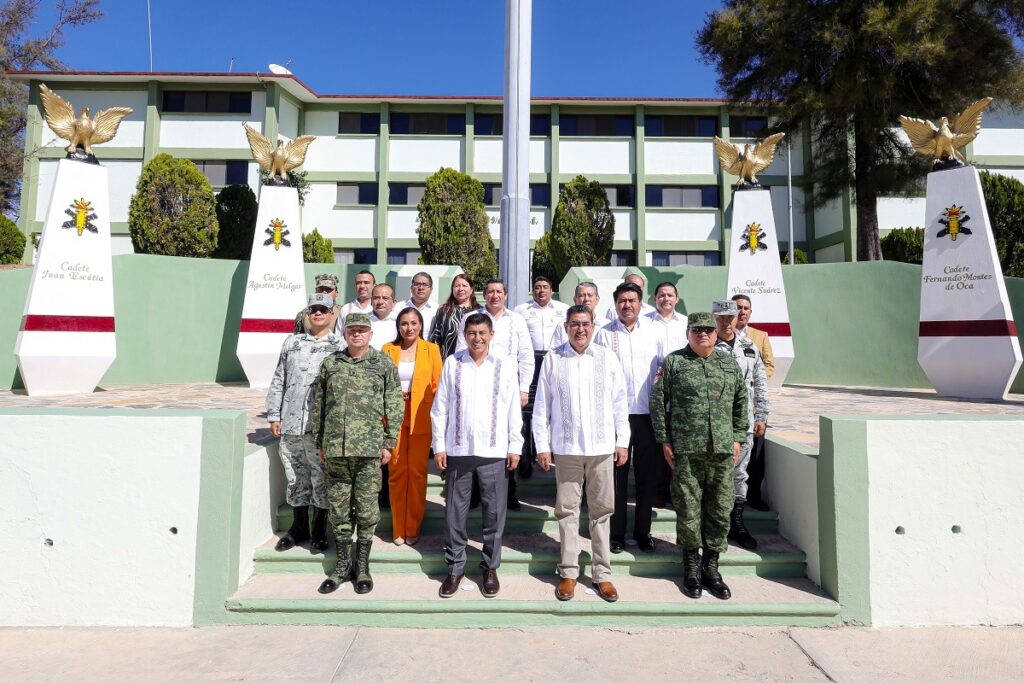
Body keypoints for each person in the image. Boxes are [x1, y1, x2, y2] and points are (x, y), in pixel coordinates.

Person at [533, 304, 630, 603]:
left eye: (585, 323)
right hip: (567, 449)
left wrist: (622, 440)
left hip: (601, 448)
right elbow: (541, 407)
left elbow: (619, 402)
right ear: (566, 326)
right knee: (567, 512)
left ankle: (602, 574)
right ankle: (569, 572)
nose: (580, 329)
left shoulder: (607, 358)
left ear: (593, 325)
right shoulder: (553, 358)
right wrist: (542, 444)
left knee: (602, 512)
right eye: (574, 323)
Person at [650, 312, 748, 601]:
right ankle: (691, 567)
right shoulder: (675, 363)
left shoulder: (729, 364)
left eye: (708, 329)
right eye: (697, 329)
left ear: (716, 333)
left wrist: (739, 437)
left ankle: (712, 568)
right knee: (689, 509)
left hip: (721, 451)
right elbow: (656, 402)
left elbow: (742, 401)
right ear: (688, 333)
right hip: (686, 450)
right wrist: (664, 439)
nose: (702, 333)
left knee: (719, 509)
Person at [431, 313, 523, 598]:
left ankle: (489, 567)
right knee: (454, 513)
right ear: (465, 335)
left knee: (494, 513)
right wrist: (439, 445)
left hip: (494, 450)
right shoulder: (453, 363)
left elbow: (512, 408)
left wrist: (515, 446)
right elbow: (440, 407)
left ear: (491, 334)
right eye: (472, 333)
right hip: (459, 449)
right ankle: (456, 567)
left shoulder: (505, 364)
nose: (477, 338)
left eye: (482, 333)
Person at [312, 313, 404, 595]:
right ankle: (342, 567)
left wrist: (389, 442)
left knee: (366, 510)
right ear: (345, 334)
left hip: (368, 450)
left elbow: (394, 402)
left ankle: (362, 567)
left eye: (362, 330)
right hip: (336, 449)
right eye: (352, 330)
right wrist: (319, 442)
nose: (357, 335)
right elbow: (319, 405)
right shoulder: (331, 363)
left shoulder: (383, 363)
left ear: (370, 334)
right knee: (339, 510)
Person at [593, 282, 665, 554]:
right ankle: (617, 533)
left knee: (646, 476)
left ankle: (643, 532)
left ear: (641, 303)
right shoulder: (604, 334)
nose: (627, 305)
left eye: (632, 300)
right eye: (622, 301)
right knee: (617, 477)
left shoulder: (654, 332)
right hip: (615, 417)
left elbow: (661, 371)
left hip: (646, 415)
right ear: (615, 305)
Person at [267, 293, 343, 553]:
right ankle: (299, 527)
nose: (318, 313)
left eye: (323, 309)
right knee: (295, 476)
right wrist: (273, 414)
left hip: (318, 429)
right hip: (290, 424)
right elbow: (279, 378)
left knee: (320, 478)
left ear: (332, 313)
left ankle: (320, 530)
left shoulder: (339, 346)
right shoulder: (292, 342)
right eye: (314, 309)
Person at [455, 278, 533, 510]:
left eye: (499, 291)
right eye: (490, 291)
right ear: (484, 295)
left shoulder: (516, 320)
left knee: (507, 439)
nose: (494, 296)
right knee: (477, 439)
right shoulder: (471, 318)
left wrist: (523, 388)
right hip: (476, 386)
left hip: (506, 389)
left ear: (506, 295)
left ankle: (509, 493)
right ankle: (475, 493)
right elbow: (460, 351)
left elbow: (526, 355)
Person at [382, 307, 443, 546]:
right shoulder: (388, 349)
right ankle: (399, 527)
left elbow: (438, 386)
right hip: (395, 415)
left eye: (414, 323)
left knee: (417, 473)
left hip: (421, 416)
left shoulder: (432, 350)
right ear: (398, 326)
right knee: (397, 471)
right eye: (405, 323)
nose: (409, 328)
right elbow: (380, 384)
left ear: (421, 325)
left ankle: (413, 526)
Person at [712, 300, 769, 551]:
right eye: (721, 316)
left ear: (737, 318)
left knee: (740, 474)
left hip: (743, 423)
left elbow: (760, 382)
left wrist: (762, 415)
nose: (726, 321)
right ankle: (716, 524)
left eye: (730, 316)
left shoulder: (749, 346)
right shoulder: (708, 344)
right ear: (715, 318)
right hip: (715, 424)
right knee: (714, 474)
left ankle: (737, 522)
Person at [513, 275, 570, 480]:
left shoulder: (563, 309)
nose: (541, 291)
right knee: (528, 413)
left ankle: (551, 455)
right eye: (537, 287)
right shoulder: (521, 311)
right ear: (533, 290)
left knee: (554, 409)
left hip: (556, 359)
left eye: (545, 287)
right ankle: (526, 461)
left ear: (551, 289)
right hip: (531, 362)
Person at [732, 293, 775, 511]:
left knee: (755, 456)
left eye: (746, 308)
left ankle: (753, 495)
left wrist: (749, 381)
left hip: (752, 407)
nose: (742, 311)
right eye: (738, 307)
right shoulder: (719, 335)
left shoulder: (759, 336)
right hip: (728, 411)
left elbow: (768, 365)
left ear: (750, 312)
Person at [429, 273, 479, 360]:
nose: (460, 289)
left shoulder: (480, 311)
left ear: (471, 289)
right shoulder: (444, 310)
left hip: (474, 361)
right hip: (447, 360)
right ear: (452, 290)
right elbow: (434, 339)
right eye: (457, 286)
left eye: (464, 285)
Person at [550, 281, 601, 348]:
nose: (586, 299)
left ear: (597, 299)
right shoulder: (562, 325)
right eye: (581, 296)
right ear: (575, 299)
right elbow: (554, 351)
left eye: (590, 295)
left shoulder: (606, 326)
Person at [646, 281, 688, 353]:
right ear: (654, 299)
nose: (666, 299)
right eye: (662, 296)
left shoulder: (686, 322)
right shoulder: (643, 321)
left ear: (677, 299)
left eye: (670, 295)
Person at [401, 271, 437, 337]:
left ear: (431, 289)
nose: (421, 288)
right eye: (417, 284)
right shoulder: (399, 307)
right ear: (411, 288)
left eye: (425, 284)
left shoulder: (437, 310)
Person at [369, 283, 398, 352]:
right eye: (376, 298)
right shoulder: (363, 320)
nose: (380, 302)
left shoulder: (400, 321)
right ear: (371, 301)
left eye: (385, 298)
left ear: (394, 302)